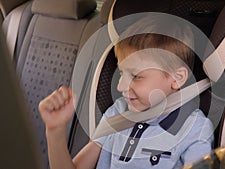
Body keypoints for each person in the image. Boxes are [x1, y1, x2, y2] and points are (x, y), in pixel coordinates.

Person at [38, 16, 214, 169]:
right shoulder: (118, 113)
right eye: (121, 73)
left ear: (176, 78)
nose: (120, 87)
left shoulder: (194, 130)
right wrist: (55, 131)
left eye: (136, 76)